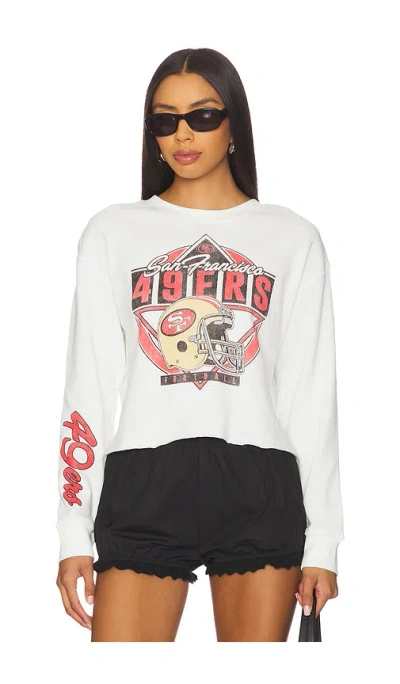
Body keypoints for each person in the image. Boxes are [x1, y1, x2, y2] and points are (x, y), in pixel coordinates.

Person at [55, 47, 345, 642]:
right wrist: (71, 529)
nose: (183, 134)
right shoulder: (112, 232)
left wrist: (323, 542)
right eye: (165, 120)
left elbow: (312, 395)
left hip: (259, 480)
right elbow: (87, 383)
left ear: (234, 124)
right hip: (143, 481)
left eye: (203, 116)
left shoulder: (292, 238)